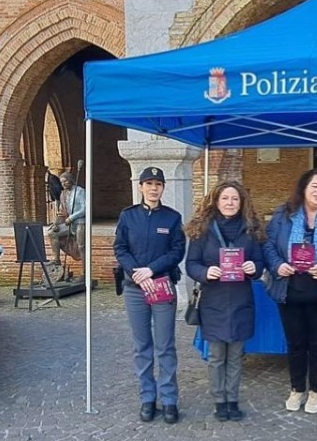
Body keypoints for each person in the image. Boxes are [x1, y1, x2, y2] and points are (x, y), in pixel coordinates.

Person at [264, 169, 317, 415]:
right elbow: (267, 244)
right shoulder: (283, 215)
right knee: (295, 343)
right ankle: (297, 388)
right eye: (315, 186)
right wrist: (278, 265)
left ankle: (316, 391)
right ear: (303, 187)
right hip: (289, 291)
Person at [184, 181, 266, 422]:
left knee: (237, 355)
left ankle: (233, 399)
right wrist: (205, 273)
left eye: (235, 199)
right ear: (216, 201)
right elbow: (191, 264)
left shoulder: (251, 230)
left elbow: (260, 264)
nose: (230, 203)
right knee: (217, 356)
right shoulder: (203, 229)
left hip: (241, 300)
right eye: (225, 199)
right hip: (214, 300)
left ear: (242, 203)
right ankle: (219, 400)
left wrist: (254, 267)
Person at [114, 167, 186, 424]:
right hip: (135, 289)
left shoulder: (172, 218)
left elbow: (177, 251)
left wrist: (151, 270)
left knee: (165, 345)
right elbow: (120, 248)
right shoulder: (128, 216)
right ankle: (147, 397)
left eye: (158, 184)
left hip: (162, 286)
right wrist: (136, 273)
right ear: (141, 187)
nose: (154, 188)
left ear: (163, 188)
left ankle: (169, 400)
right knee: (142, 345)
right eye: (149, 183)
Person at [46, 172, 86, 266]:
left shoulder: (80, 191)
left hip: (80, 223)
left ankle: (84, 272)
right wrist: (56, 224)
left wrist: (72, 218)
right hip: (69, 224)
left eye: (65, 181)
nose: (63, 184)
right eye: (61, 182)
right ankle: (56, 259)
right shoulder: (63, 194)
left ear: (71, 181)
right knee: (52, 233)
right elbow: (61, 212)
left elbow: (85, 208)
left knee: (81, 246)